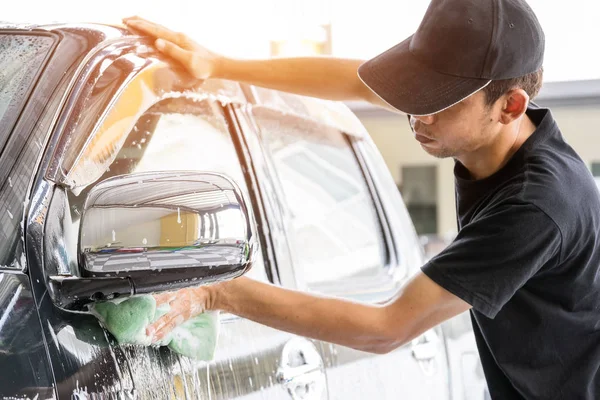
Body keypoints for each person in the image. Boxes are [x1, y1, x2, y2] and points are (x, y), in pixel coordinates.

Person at [123, 0, 600, 398]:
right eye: (416, 93)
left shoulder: (535, 207)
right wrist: (220, 66)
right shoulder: (477, 121)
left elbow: (386, 327)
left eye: (438, 101)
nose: (416, 115)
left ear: (510, 105)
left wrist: (218, 291)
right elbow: (354, 81)